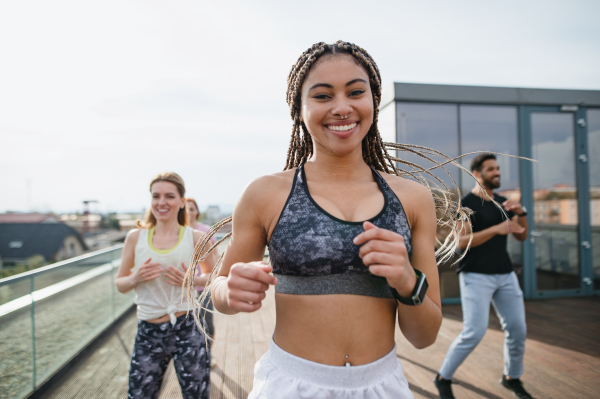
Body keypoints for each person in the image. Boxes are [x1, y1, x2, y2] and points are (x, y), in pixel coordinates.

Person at [186, 41, 470, 399]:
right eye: (322, 96)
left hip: (382, 386)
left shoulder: (412, 198)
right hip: (290, 385)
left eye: (355, 92)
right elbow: (219, 287)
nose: (342, 107)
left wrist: (407, 280)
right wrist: (229, 289)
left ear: (373, 101)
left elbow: (424, 336)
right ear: (298, 109)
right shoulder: (265, 194)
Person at [435, 154, 532, 399]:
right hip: (476, 275)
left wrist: (522, 214)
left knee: (518, 329)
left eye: (498, 168)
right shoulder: (465, 205)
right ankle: (443, 377)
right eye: (491, 169)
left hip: (505, 274)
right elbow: (461, 242)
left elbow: (521, 236)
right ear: (477, 174)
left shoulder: (503, 202)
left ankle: (512, 377)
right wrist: (497, 229)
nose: (497, 172)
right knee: (474, 332)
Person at [115, 172, 210, 399]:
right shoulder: (135, 238)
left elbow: (214, 277)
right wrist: (135, 278)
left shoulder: (196, 238)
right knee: (139, 394)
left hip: (187, 327)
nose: (162, 202)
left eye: (169, 196)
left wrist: (192, 281)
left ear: (181, 202)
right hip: (149, 331)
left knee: (196, 395)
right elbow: (121, 284)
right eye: (156, 196)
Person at [186, 198, 218, 342]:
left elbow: (215, 255)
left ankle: (208, 355)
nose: (188, 212)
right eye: (185, 209)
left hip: (203, 286)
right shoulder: (178, 233)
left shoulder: (205, 230)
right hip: (184, 288)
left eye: (192, 209)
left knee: (207, 324)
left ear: (197, 211)